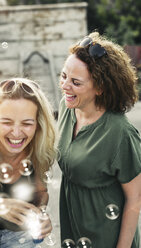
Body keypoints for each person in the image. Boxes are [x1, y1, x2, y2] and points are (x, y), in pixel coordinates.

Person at [58, 32, 141, 248]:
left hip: (107, 236)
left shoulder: (120, 133)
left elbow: (135, 200)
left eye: (75, 82)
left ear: (100, 88)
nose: (65, 86)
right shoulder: (66, 108)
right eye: (63, 76)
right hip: (73, 229)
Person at [0, 78, 58, 247]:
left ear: (38, 125)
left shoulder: (39, 151)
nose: (16, 133)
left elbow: (41, 192)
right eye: (7, 122)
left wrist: (40, 214)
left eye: (27, 124)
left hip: (19, 239)